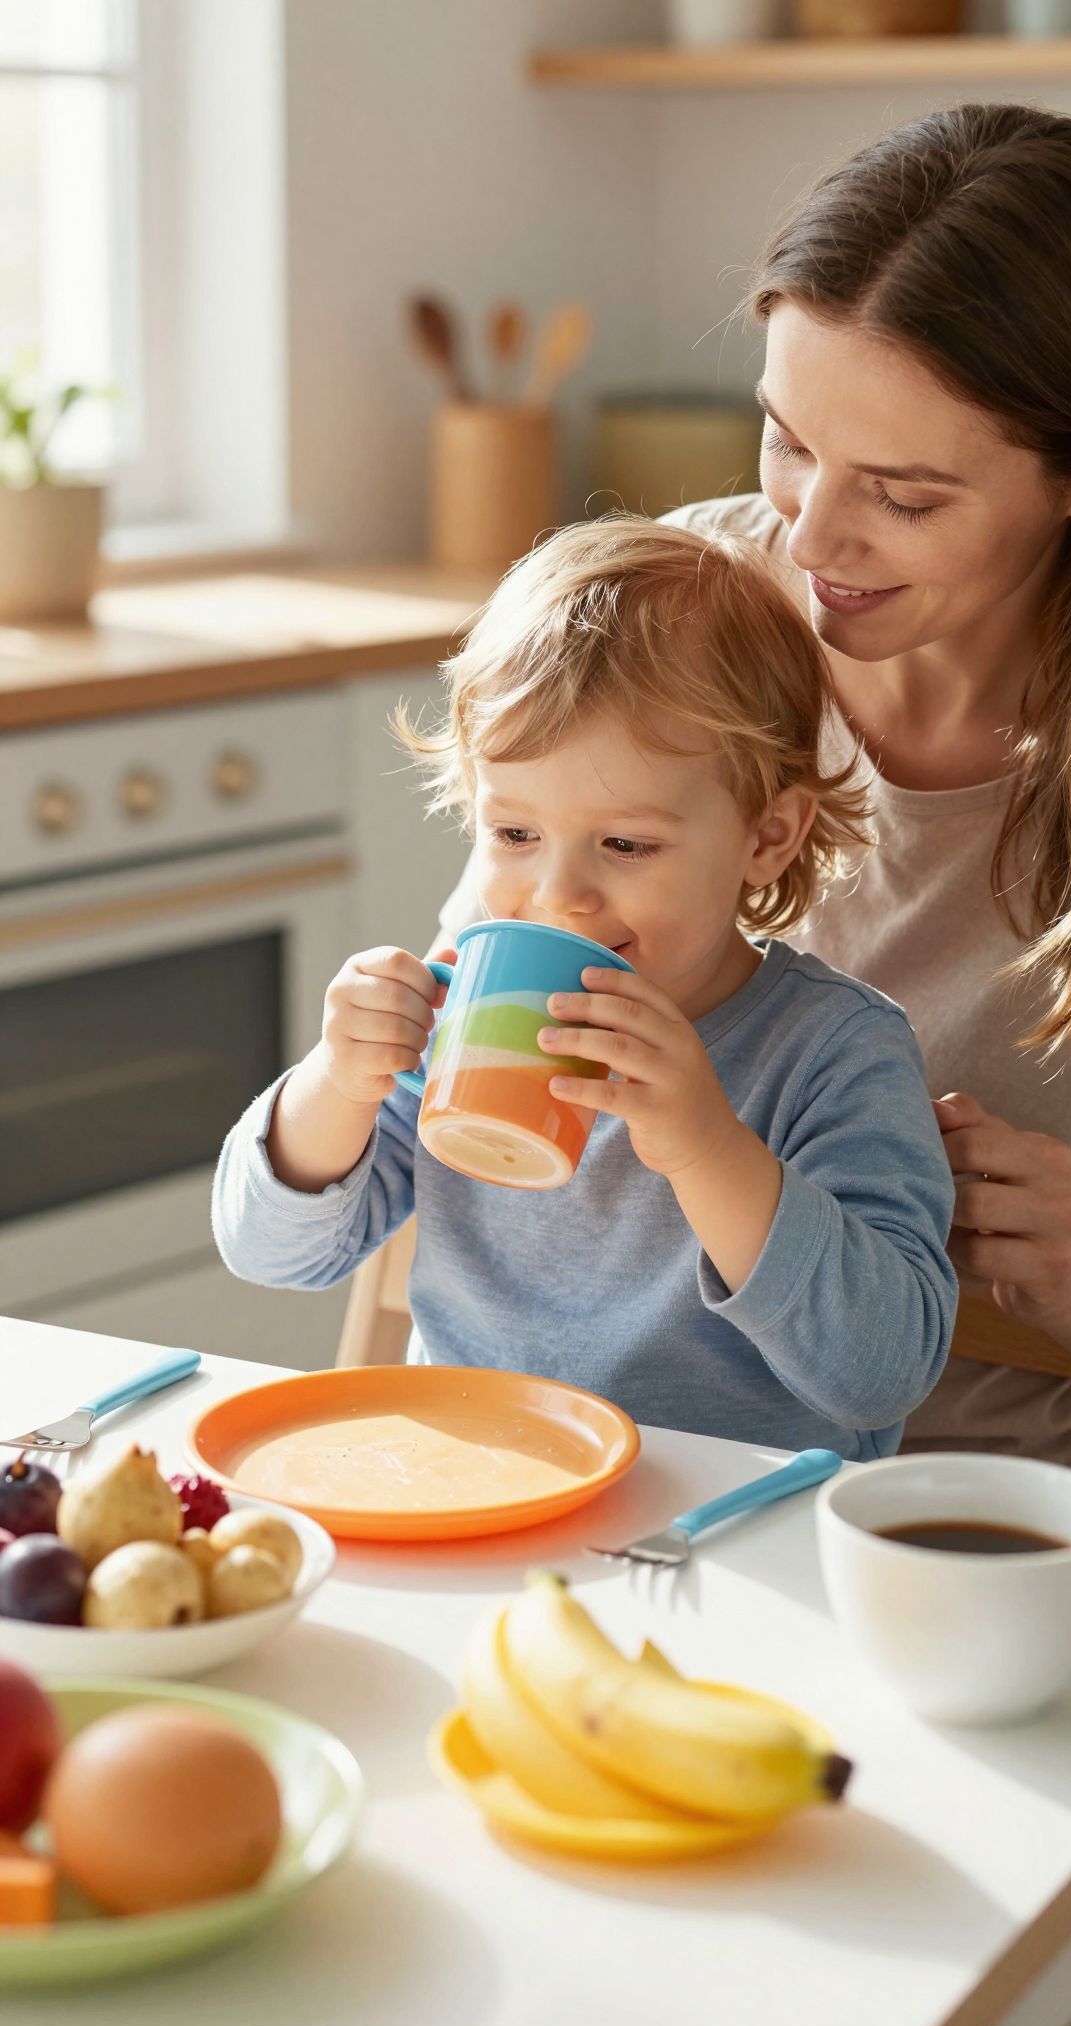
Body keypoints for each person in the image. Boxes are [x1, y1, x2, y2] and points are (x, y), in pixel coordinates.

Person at [439, 102, 1071, 1471]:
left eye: (904, 491)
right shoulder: (683, 613)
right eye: (788, 440)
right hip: (576, 1457)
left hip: (952, 1518)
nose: (810, 537)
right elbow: (478, 992)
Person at [212, 515, 957, 1458]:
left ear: (766, 838)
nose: (559, 895)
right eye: (515, 835)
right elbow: (269, 1251)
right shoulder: (465, 1017)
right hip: (472, 1493)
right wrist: (337, 1081)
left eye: (627, 845)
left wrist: (703, 1145)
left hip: (722, 1544)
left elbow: (883, 1371)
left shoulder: (833, 1052)